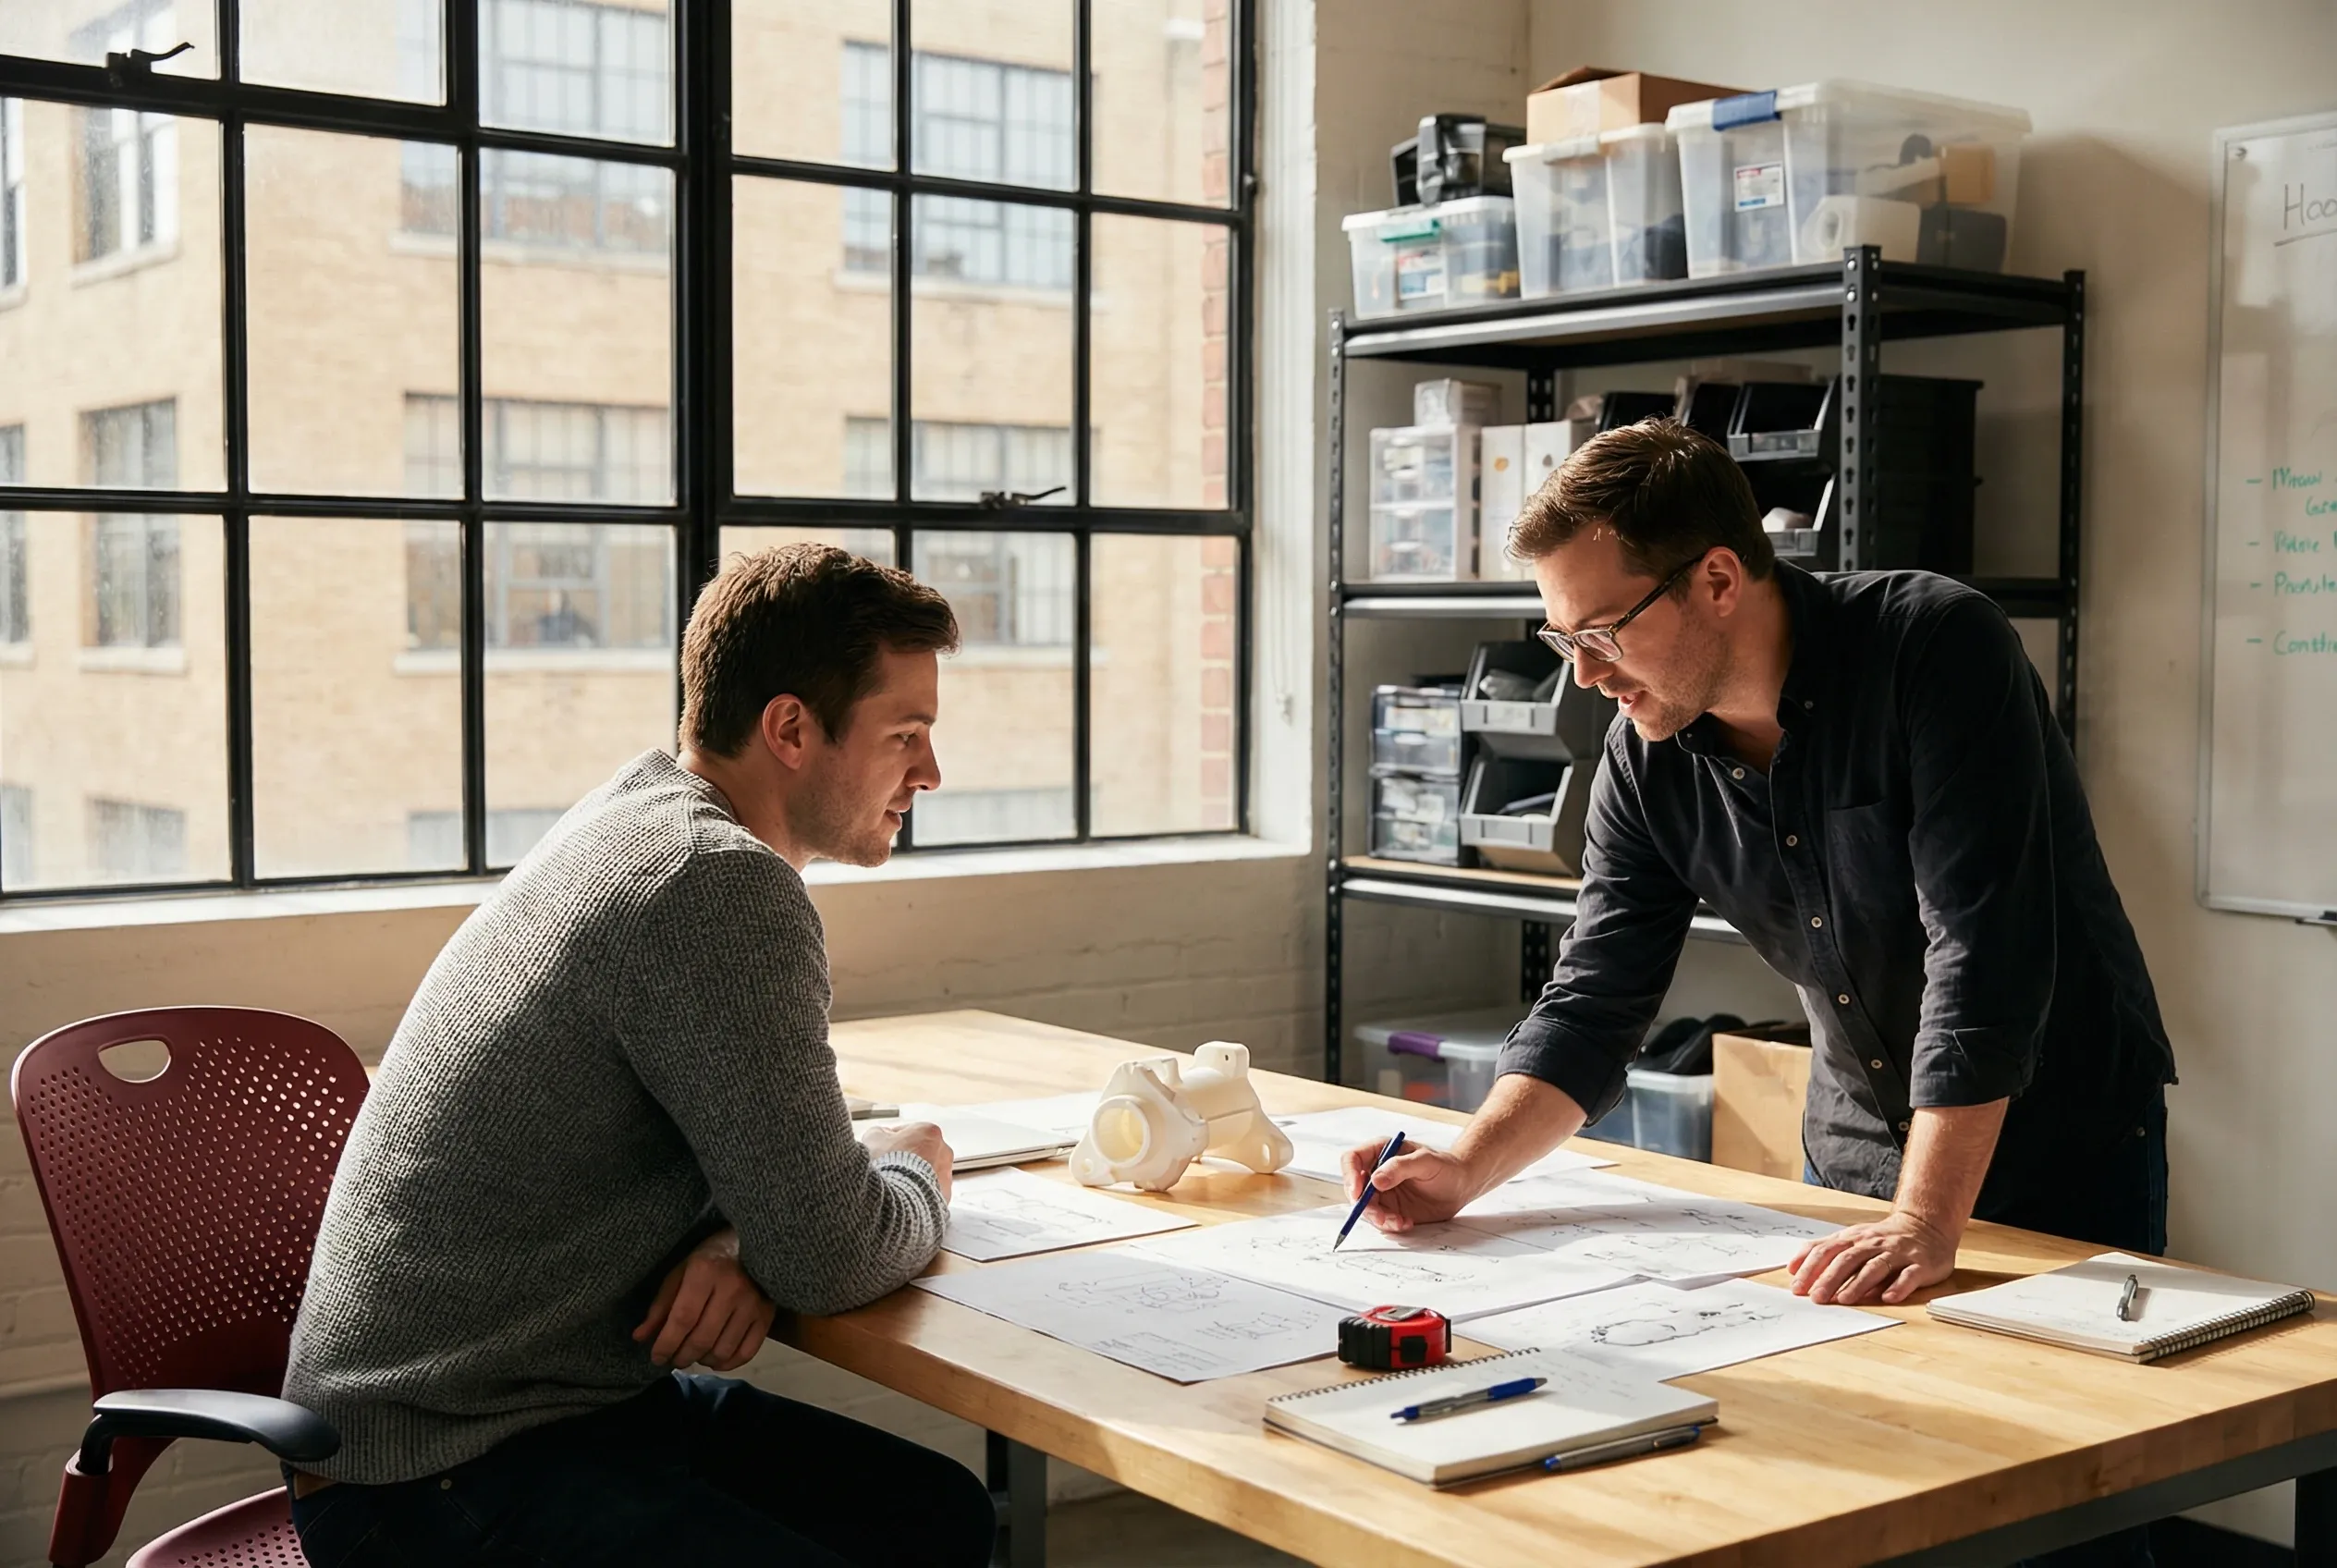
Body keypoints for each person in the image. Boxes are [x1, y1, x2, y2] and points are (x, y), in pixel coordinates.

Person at [1343, 421, 2174, 1566]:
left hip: (2058, 1131)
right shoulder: (1646, 747)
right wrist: (1464, 1166)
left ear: (1718, 580)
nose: (1580, 672)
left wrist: (1929, 1220)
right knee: (1861, 1469)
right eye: (1558, 635)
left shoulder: (1934, 648)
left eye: (1598, 631)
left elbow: (1981, 956)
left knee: (2064, 1497)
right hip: (1851, 1143)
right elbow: (1593, 990)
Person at [283, 544, 996, 1568]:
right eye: (906, 735)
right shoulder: (714, 884)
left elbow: (771, 1170)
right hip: (435, 1475)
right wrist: (918, 1159)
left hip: (532, 1414)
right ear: (790, 728)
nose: (928, 772)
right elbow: (833, 1253)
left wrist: (743, 1240)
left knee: (935, 1513)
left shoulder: (641, 811)